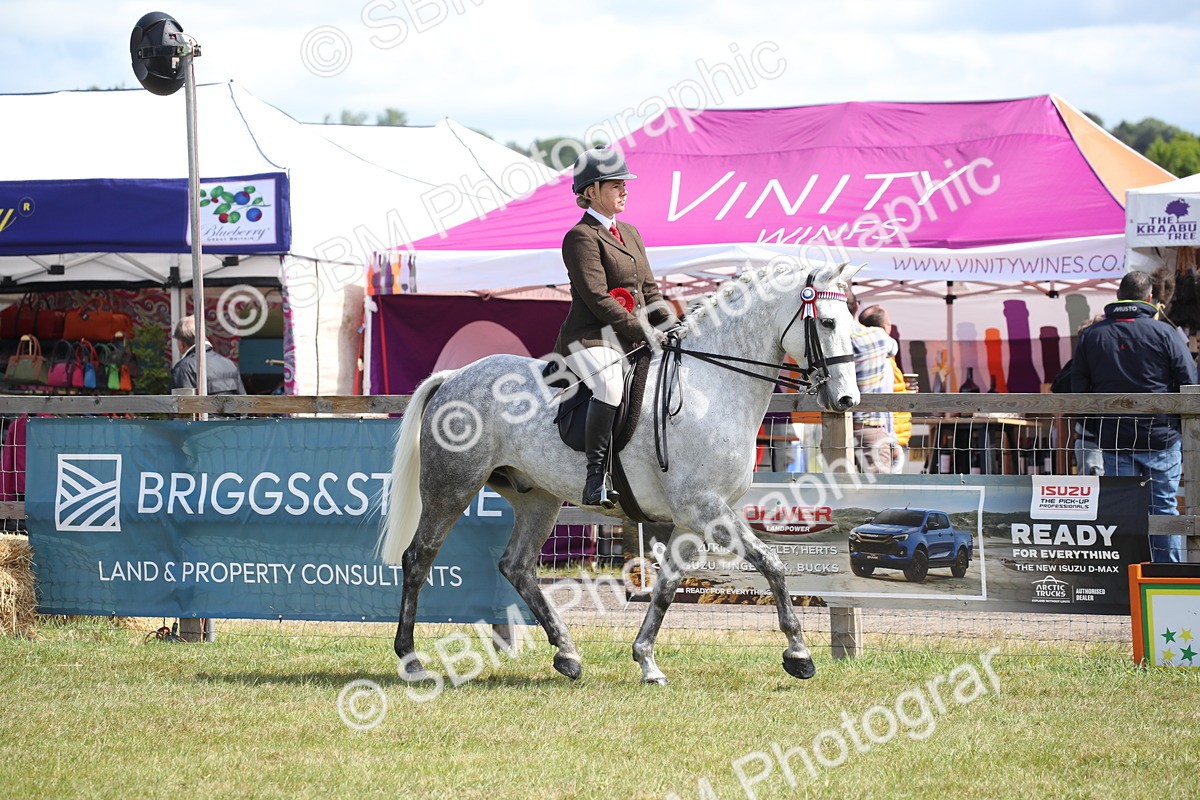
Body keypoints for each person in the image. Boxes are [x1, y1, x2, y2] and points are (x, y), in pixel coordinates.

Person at [553, 147, 676, 508]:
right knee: (608, 384)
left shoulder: (631, 232)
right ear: (591, 191)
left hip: (631, 340)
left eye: (625, 184)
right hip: (591, 337)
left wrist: (671, 326)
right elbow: (597, 298)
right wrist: (644, 332)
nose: (625, 190)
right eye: (616, 185)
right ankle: (595, 478)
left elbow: (650, 291)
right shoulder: (580, 237)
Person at [1071, 270, 1197, 562]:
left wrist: (1097, 430)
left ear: (1117, 296)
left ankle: (1128, 579)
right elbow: (1187, 381)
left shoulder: (1092, 335)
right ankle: (1167, 578)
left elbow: (1079, 388)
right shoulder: (1165, 332)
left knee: (1124, 509)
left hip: (1115, 440)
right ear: (1150, 298)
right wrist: (1177, 426)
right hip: (1161, 437)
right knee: (1164, 509)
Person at [846, 290, 899, 473]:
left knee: (837, 498)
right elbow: (893, 348)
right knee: (877, 498)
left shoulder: (823, 340)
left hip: (835, 429)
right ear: (857, 306)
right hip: (870, 431)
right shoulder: (877, 336)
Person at [169, 315, 247, 396]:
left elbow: (182, 405)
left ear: (181, 343)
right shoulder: (230, 365)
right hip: (230, 409)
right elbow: (243, 402)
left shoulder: (183, 369)